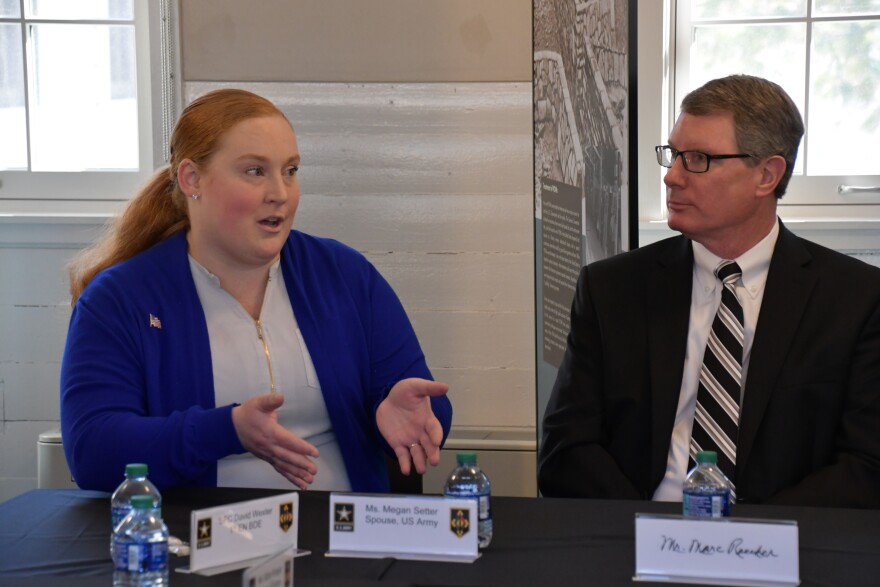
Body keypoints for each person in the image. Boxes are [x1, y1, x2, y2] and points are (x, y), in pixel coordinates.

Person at [61, 88, 452, 493]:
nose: (280, 193)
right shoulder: (119, 299)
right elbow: (93, 450)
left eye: (290, 171)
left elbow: (421, 404)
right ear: (192, 179)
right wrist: (227, 430)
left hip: (344, 536)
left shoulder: (345, 276)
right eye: (255, 171)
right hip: (198, 544)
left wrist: (404, 408)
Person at [538, 74, 880, 508]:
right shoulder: (612, 289)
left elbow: (868, 466)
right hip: (636, 540)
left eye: (698, 159)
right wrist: (654, 533)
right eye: (674, 155)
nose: (672, 177)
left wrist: (743, 542)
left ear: (767, 175)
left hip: (780, 550)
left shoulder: (855, 299)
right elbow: (565, 451)